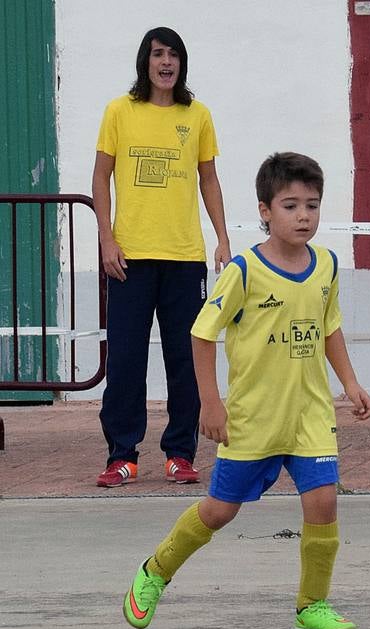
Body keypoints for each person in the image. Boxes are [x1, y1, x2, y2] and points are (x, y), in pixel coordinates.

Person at [123, 152, 370, 629]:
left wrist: (351, 382)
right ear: (264, 211)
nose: (303, 216)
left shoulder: (327, 264)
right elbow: (201, 335)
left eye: (312, 206)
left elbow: (330, 328)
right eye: (290, 205)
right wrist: (210, 404)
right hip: (255, 418)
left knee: (323, 504)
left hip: (310, 414)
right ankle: (156, 570)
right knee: (219, 511)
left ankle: (312, 604)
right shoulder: (244, 271)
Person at [92, 26, 231, 488]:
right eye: (157, 54)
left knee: (186, 359)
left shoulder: (198, 116)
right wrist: (107, 240)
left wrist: (222, 239)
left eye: (173, 55)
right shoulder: (119, 111)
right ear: (145, 62)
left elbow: (209, 180)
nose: (165, 62)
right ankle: (122, 455)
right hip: (129, 259)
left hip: (184, 258)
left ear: (182, 63)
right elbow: (101, 180)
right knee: (126, 360)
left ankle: (179, 452)